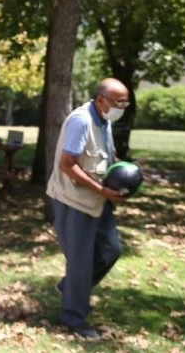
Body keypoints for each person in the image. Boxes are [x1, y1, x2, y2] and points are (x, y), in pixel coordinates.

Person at [46, 78, 130, 339]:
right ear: (101, 100)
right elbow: (67, 164)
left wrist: (128, 173)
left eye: (125, 103)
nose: (122, 107)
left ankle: (71, 286)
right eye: (119, 102)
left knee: (111, 250)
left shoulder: (104, 119)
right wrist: (103, 190)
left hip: (96, 198)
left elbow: (104, 155)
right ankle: (74, 318)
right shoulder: (81, 120)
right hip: (75, 200)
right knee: (80, 263)